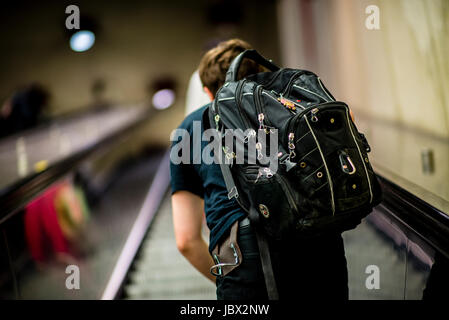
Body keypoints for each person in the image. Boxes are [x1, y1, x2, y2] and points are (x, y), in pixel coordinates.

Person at [170, 39, 348, 300]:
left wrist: (229, 279)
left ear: (208, 94)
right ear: (263, 78)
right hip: (318, 241)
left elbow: (186, 241)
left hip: (242, 251)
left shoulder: (190, 127)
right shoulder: (291, 107)